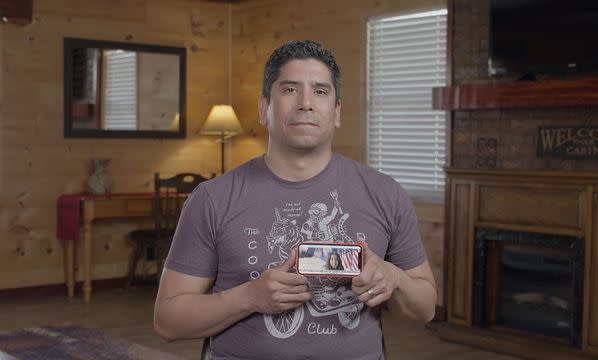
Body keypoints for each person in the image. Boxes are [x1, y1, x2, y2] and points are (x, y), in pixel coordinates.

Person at [154, 39, 437, 360]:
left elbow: (426, 307)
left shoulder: (385, 194)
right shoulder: (212, 199)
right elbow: (167, 322)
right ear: (264, 108)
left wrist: (394, 278)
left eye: (320, 91)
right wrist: (249, 297)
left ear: (337, 110)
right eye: (290, 90)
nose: (306, 103)